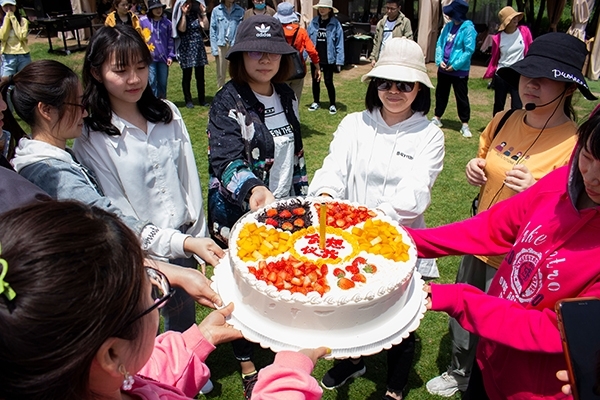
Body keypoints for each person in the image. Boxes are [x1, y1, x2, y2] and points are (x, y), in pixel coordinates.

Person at [0, 200, 331, 400]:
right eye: (152, 291)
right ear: (112, 353)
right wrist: (288, 376)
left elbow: (143, 380)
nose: (160, 292)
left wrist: (197, 341)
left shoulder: (99, 382)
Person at [423, 32, 598, 398]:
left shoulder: (567, 148)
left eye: (545, 78)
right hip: (491, 361)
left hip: (536, 387)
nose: (591, 177)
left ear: (568, 88)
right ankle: (461, 371)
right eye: (588, 157)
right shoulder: (556, 179)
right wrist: (405, 238)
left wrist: (457, 298)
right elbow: (491, 226)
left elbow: (556, 329)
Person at [309, 37, 444, 400]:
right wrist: (325, 195)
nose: (394, 92)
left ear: (420, 89)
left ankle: (395, 387)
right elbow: (334, 167)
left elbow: (416, 192)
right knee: (349, 305)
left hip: (398, 240)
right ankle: (353, 361)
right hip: (347, 239)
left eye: (405, 84)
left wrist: (374, 218)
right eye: (385, 83)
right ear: (374, 85)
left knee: (399, 318)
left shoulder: (429, 134)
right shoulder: (354, 124)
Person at [8, 59, 223, 270]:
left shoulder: (56, 158)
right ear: (46, 110)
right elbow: (108, 221)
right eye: (77, 104)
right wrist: (184, 244)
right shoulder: (51, 173)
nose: (84, 112)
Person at [73, 25, 209, 334]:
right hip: (140, 253)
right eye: (121, 70)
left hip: (184, 242)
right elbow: (115, 206)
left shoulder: (167, 114)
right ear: (96, 73)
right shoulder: (91, 138)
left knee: (182, 322)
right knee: (142, 331)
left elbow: (188, 176)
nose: (134, 79)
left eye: (141, 67)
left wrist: (196, 236)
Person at [206, 15, 307, 399]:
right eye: (255, 52)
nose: (265, 60)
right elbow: (225, 161)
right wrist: (254, 190)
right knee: (242, 294)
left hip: (284, 214)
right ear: (239, 56)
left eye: (273, 53)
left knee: (277, 282)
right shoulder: (227, 100)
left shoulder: (286, 96)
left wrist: (302, 198)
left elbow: (296, 155)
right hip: (239, 215)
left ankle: (278, 347)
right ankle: (247, 363)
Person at [431, 0, 477, 138]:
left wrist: (455, 65)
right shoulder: (448, 26)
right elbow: (440, 44)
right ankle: (437, 117)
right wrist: (439, 60)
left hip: (459, 71)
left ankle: (465, 124)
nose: (448, 15)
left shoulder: (468, 29)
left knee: (461, 97)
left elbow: (468, 50)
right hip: (443, 68)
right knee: (441, 93)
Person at [483, 6, 532, 115]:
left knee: (517, 106)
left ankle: (515, 125)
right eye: (512, 18)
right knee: (499, 104)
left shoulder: (524, 31)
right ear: (506, 22)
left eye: (516, 17)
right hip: (502, 74)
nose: (515, 19)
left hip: (518, 74)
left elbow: (530, 49)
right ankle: (497, 124)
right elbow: (495, 57)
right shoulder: (498, 38)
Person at [274, 2, 321, 111]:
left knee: (279, 103)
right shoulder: (301, 31)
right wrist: (317, 67)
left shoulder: (275, 31)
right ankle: (294, 120)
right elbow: (312, 51)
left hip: (280, 71)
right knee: (295, 102)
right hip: (298, 70)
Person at [307, 0, 344, 115]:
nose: (321, 9)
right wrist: (304, 57)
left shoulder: (335, 23)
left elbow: (339, 43)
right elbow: (307, 40)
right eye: (320, 7)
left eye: (324, 7)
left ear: (329, 9)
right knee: (315, 81)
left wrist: (339, 60)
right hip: (315, 58)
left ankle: (332, 104)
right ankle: (316, 102)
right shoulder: (314, 22)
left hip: (329, 58)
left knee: (328, 81)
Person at [172, 0, 209, 108]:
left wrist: (203, 13)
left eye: (190, 3)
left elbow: (205, 26)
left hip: (198, 47)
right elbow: (182, 29)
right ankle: (188, 100)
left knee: (200, 76)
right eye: (186, 3)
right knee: (187, 75)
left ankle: (202, 99)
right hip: (186, 47)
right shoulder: (181, 16)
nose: (188, 5)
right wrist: (184, 14)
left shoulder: (196, 14)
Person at [210, 0, 244, 89]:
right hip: (221, 44)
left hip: (234, 45)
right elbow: (212, 30)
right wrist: (214, 49)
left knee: (234, 71)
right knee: (221, 73)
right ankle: (221, 92)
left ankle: (235, 92)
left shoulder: (240, 11)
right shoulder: (216, 10)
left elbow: (241, 31)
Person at [145, 0, 175, 100]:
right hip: (149, 57)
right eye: (155, 8)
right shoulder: (143, 21)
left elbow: (170, 40)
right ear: (150, 10)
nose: (158, 10)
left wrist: (170, 55)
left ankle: (163, 101)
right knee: (152, 81)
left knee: (163, 82)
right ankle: (153, 102)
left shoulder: (167, 23)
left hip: (163, 57)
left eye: (160, 7)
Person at [369, 0, 413, 67]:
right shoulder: (381, 23)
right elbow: (376, 42)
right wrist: (373, 58)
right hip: (381, 58)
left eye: (392, 9)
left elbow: (409, 41)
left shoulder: (405, 22)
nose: (389, 11)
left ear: (399, 8)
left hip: (397, 60)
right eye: (387, 8)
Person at [0, 0, 29, 79]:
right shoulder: (1, 21)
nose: (8, 8)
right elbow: (3, 37)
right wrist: (7, 19)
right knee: (5, 82)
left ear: (15, 6)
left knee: (24, 80)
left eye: (11, 5)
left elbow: (22, 37)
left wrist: (13, 19)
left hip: (23, 55)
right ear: (1, 7)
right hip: (7, 56)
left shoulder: (23, 21)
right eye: (5, 6)